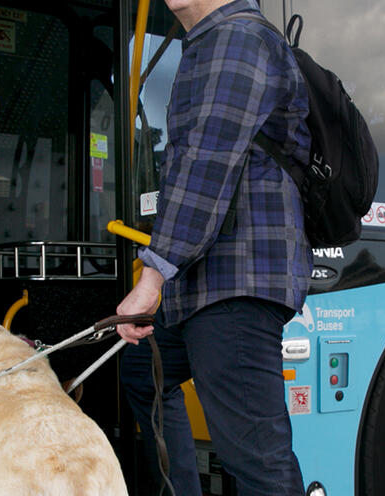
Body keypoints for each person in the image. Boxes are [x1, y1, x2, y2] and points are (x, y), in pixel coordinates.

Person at [114, 0, 311, 494]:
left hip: (237, 283)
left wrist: (152, 276)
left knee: (257, 462)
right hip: (205, 284)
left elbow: (205, 165)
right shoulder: (205, 44)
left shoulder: (239, 39)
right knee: (142, 368)